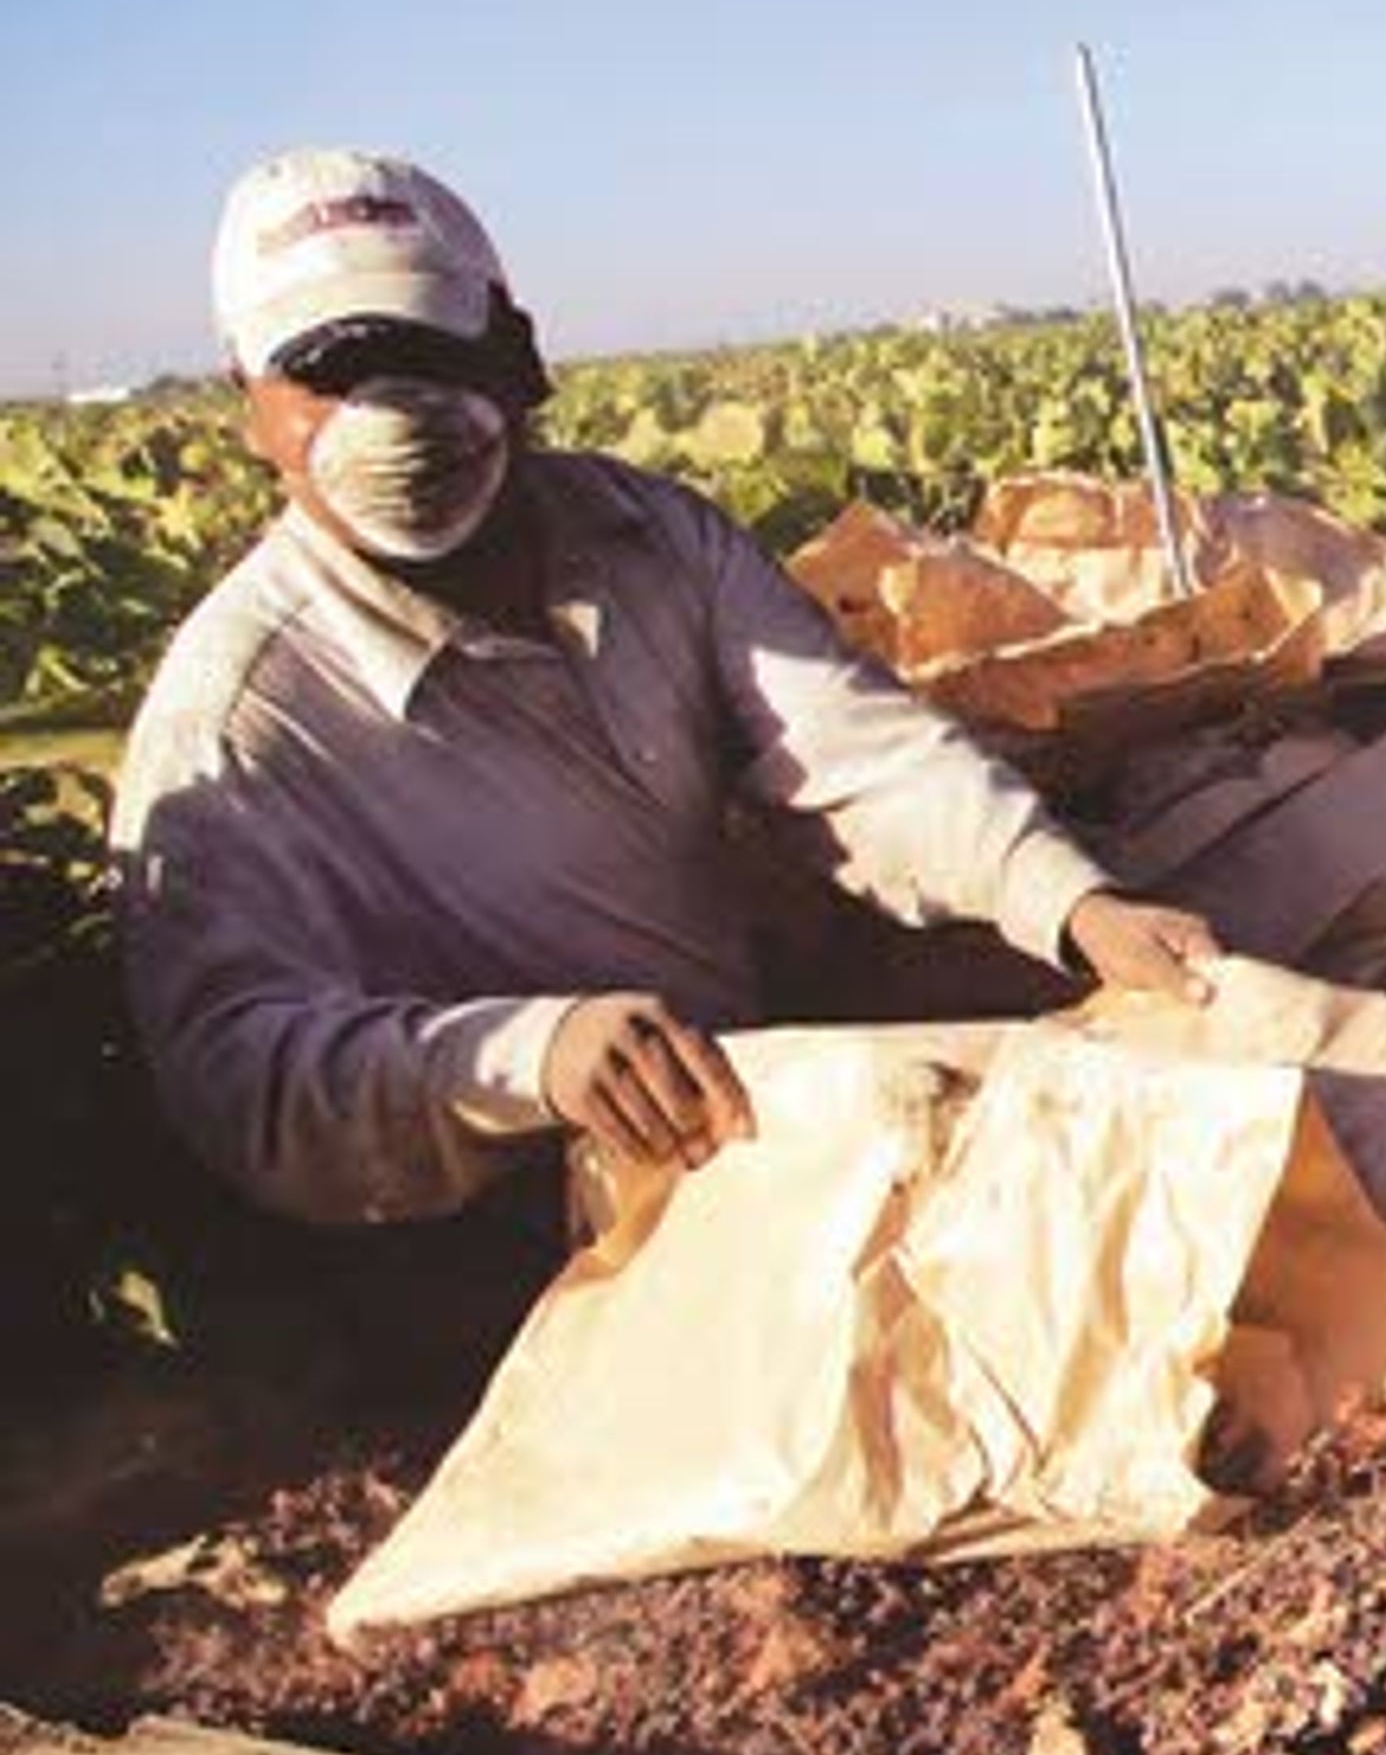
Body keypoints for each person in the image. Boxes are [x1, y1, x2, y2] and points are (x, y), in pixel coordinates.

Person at [113, 147, 1224, 1242]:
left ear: (509, 348)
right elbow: (236, 1074)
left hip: (763, 1106)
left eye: (420, 352)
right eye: (325, 379)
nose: (390, 415)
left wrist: (1065, 901)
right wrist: (521, 1059)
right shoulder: (236, 713)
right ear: (248, 405)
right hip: (527, 1232)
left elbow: (860, 757)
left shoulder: (648, 535)